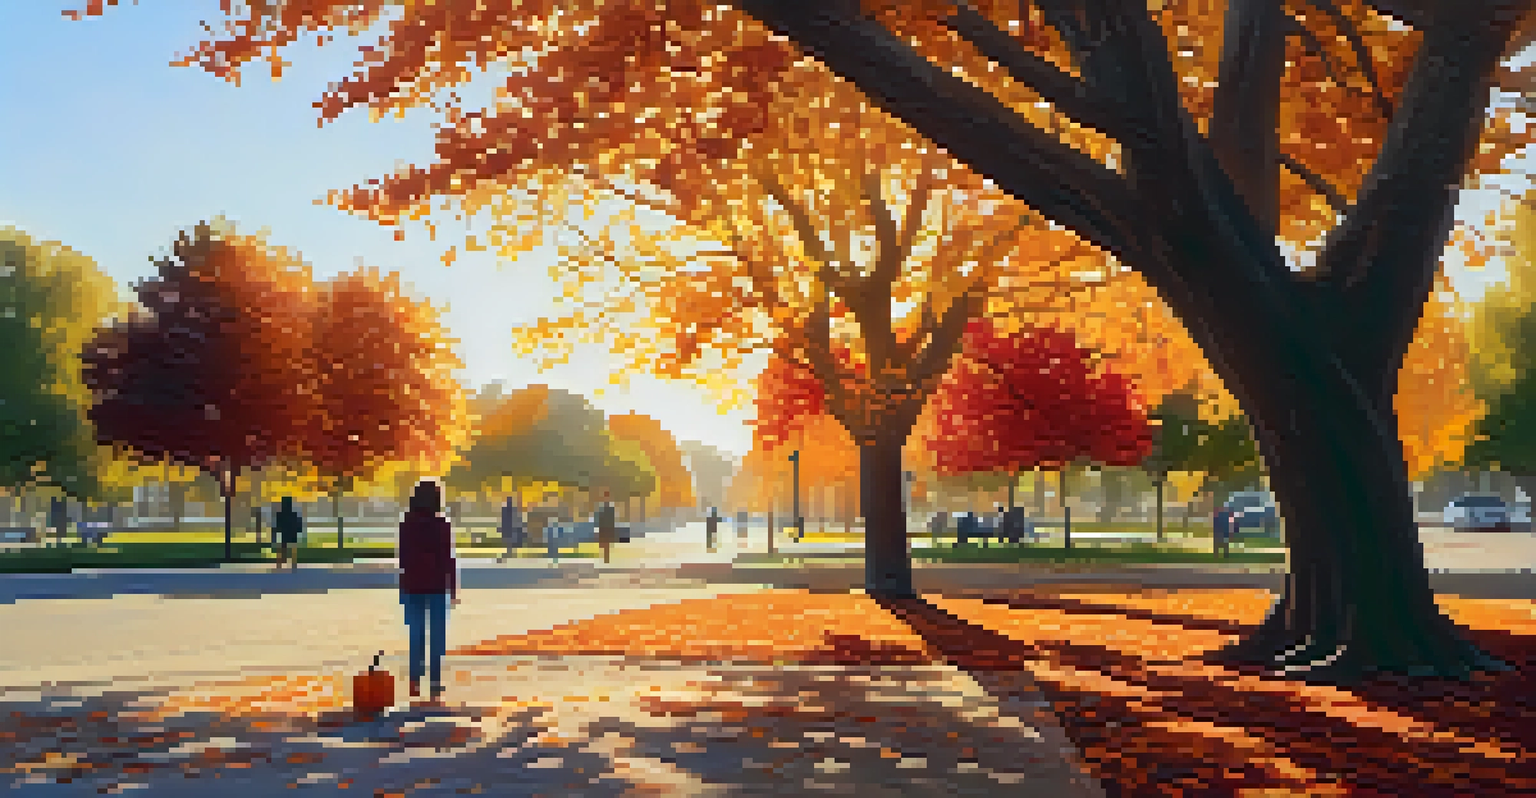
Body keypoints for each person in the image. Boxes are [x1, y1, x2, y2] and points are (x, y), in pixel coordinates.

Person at [398, 479, 459, 703]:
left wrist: (404, 581)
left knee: (416, 635)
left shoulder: (407, 523)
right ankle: (434, 681)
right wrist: (452, 586)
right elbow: (447, 558)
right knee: (437, 636)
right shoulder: (442, 524)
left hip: (413, 584)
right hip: (436, 584)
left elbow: (403, 556)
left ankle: (415, 680)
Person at [274, 496, 304, 571]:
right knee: (292, 548)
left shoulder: (280, 514)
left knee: (283, 547)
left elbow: (278, 524)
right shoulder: (294, 514)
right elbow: (298, 523)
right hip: (292, 531)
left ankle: (280, 563)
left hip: (285, 531)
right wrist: (299, 530)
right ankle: (293, 563)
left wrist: (277, 530)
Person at [499, 497, 524, 562]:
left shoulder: (510, 510)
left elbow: (504, 519)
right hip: (509, 528)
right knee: (508, 543)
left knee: (509, 543)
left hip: (509, 529)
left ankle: (507, 555)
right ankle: (507, 555)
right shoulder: (511, 510)